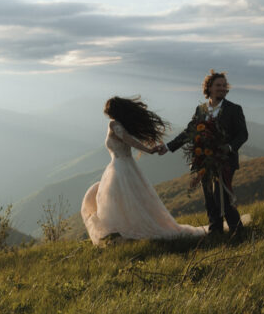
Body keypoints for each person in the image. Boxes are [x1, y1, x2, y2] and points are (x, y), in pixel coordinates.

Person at [80, 96, 205, 245]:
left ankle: (126, 230)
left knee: (119, 200)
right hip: (124, 166)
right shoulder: (119, 124)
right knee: (127, 200)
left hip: (120, 168)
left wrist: (148, 150)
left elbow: (129, 140)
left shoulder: (114, 124)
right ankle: (124, 230)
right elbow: (128, 140)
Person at [161, 71, 248, 236]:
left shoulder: (234, 109)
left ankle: (237, 230)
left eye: (224, 85)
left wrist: (228, 148)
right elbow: (190, 132)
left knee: (221, 194)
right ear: (209, 87)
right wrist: (168, 146)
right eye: (218, 85)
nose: (222, 88)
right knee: (209, 197)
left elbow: (242, 135)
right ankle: (215, 230)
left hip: (225, 160)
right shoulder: (200, 109)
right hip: (203, 159)